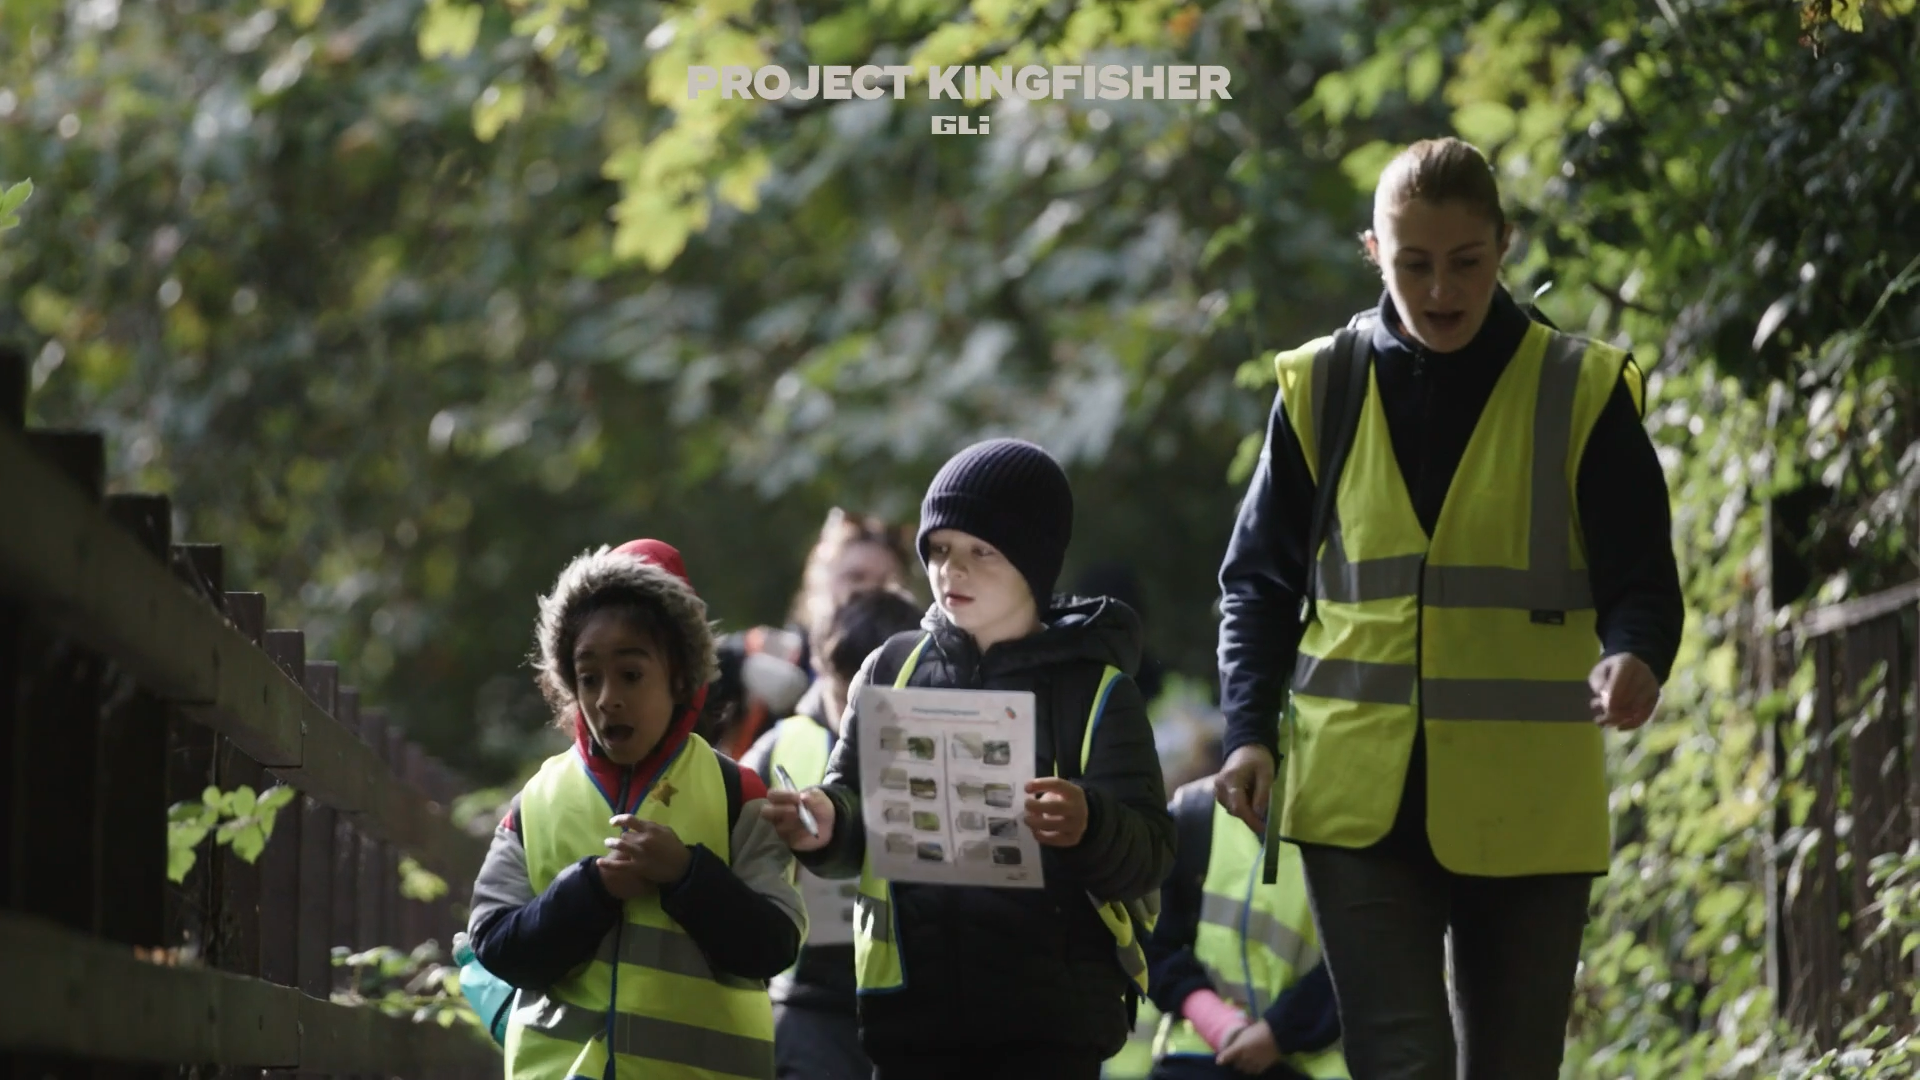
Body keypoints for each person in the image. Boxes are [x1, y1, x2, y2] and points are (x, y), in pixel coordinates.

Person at [1212, 137, 1684, 1079]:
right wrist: (1248, 732)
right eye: (1413, 263)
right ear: (1373, 252)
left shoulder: (1580, 390)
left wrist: (1636, 653)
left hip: (1528, 795)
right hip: (1356, 799)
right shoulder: (1320, 387)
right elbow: (1258, 582)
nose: (1440, 290)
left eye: (1466, 262)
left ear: (1505, 244)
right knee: (1402, 1061)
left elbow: (1642, 576)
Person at [761, 437, 1177, 1080]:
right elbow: (853, 815)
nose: (952, 571)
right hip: (907, 1028)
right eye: (939, 550)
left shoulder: (1096, 692)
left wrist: (1090, 822)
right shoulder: (890, 668)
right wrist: (824, 823)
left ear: (1034, 561)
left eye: (981, 551)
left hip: (1051, 1033)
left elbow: (1151, 853)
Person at [467, 538, 805, 1080]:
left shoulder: (738, 793)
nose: (607, 698)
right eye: (588, 678)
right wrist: (591, 890)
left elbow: (774, 946)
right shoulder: (537, 800)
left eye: (631, 674)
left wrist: (686, 875)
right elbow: (495, 945)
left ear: (680, 678)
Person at [742, 586, 924, 1080]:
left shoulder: (940, 750)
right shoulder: (774, 751)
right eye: (849, 698)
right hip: (808, 1004)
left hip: (917, 1004)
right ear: (821, 670)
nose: (860, 720)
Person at [1144, 776, 1347, 1080]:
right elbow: (1153, 943)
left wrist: (1277, 1033)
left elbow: (1364, 959)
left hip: (1306, 1062)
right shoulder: (1194, 813)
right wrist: (1216, 1021)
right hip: (1199, 1053)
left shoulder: (1351, 834)